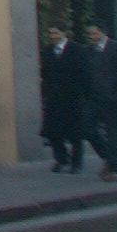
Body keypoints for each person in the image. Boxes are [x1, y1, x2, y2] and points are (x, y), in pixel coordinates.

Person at [39, 22, 87, 174]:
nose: (53, 36)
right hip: (54, 97)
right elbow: (45, 73)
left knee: (75, 133)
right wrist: (46, 92)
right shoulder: (47, 51)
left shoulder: (76, 49)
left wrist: (82, 93)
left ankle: (76, 163)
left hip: (72, 97)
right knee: (53, 132)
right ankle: (61, 159)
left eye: (56, 33)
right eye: (51, 33)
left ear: (64, 33)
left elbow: (82, 73)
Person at [83, 19, 117, 182]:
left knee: (113, 134)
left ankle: (114, 169)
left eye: (94, 33)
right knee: (87, 128)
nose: (91, 36)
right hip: (95, 98)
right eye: (89, 34)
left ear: (102, 32)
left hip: (113, 99)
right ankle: (107, 156)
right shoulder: (89, 50)